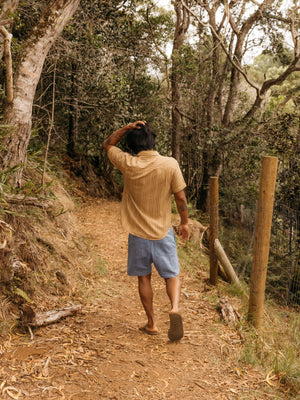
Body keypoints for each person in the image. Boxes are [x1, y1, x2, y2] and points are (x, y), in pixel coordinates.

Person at [102, 121, 190, 341]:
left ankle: (152, 323)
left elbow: (108, 144)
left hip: (138, 233)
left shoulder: (128, 163)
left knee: (144, 278)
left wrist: (125, 128)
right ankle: (175, 307)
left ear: (132, 145)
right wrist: (184, 223)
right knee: (172, 275)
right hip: (162, 231)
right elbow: (180, 197)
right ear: (153, 141)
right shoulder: (170, 164)